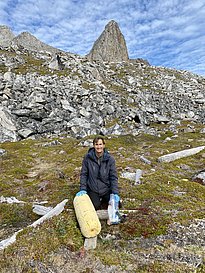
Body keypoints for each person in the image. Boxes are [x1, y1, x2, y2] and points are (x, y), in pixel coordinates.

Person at [76, 136, 120, 210]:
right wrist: (83, 189)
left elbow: (113, 177)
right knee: (95, 206)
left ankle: (104, 201)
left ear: (103, 145)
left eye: (100, 144)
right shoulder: (87, 158)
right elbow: (84, 174)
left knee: (116, 204)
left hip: (106, 188)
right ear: (93, 146)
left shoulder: (110, 159)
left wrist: (115, 192)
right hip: (93, 189)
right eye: (96, 144)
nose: (99, 147)